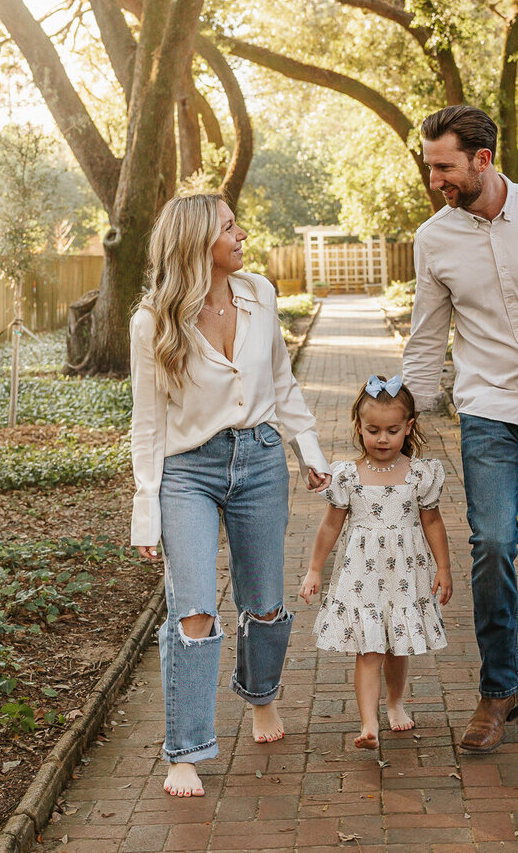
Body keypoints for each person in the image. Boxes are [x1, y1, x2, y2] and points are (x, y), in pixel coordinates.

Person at [400, 104, 518, 753]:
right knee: (490, 542)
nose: (435, 180)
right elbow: (426, 336)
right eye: (430, 167)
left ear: (482, 160)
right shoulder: (433, 240)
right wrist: (407, 418)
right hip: (487, 409)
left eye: (444, 167)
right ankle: (497, 688)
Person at [129, 192, 331, 798]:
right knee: (193, 609)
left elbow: (282, 379)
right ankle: (185, 751)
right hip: (187, 471)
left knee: (265, 601)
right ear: (196, 244)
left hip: (262, 460)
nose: (241, 234)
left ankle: (261, 698)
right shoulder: (153, 321)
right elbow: (147, 423)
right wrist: (145, 512)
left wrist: (310, 451)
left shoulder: (260, 293)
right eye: (228, 227)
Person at [299, 376, 453, 749]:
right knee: (369, 647)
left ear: (409, 427)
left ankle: (394, 702)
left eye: (392, 430)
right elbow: (330, 526)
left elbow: (432, 521)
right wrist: (315, 569)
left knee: (396, 646)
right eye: (373, 430)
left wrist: (444, 569)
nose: (382, 439)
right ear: (359, 427)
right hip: (361, 575)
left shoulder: (420, 474)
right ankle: (368, 725)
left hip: (405, 573)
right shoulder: (347, 476)